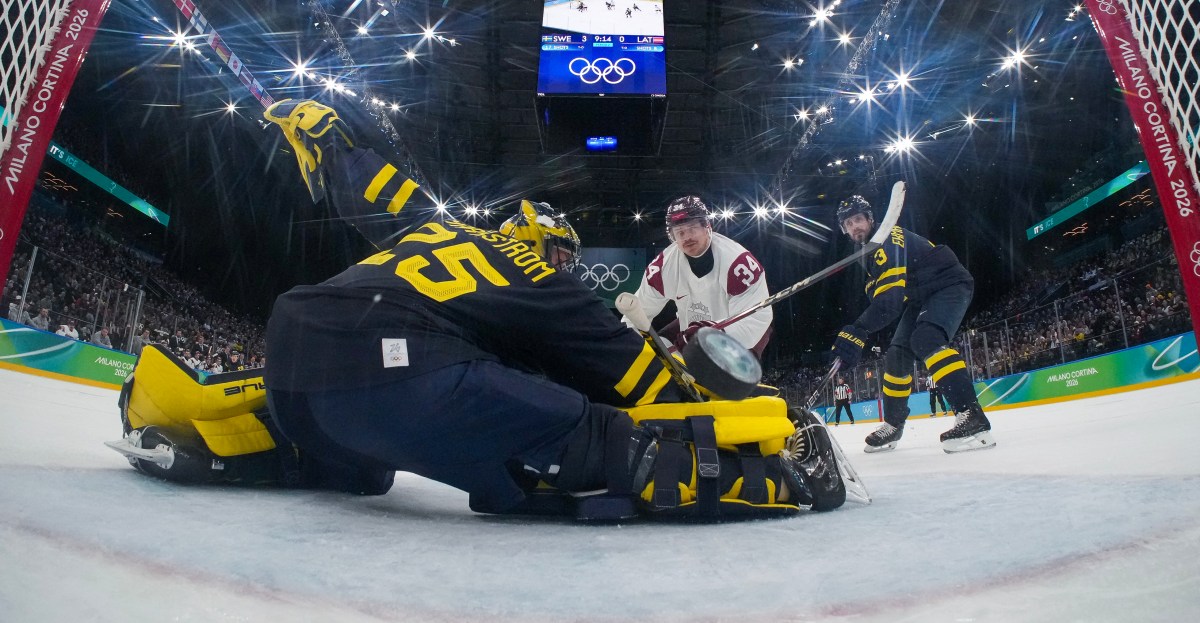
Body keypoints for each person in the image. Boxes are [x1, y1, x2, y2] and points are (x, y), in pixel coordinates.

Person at [251, 99, 844, 519]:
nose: (565, 265)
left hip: (295, 370)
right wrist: (705, 406)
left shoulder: (442, 233)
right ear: (538, 242)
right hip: (403, 377)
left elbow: (380, 195)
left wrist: (332, 148)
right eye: (561, 251)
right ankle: (775, 485)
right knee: (598, 430)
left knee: (374, 469)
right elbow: (634, 377)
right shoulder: (539, 278)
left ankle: (271, 448)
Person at [830, 194, 995, 453]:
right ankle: (894, 424)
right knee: (896, 356)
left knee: (926, 339)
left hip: (947, 283)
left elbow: (890, 303)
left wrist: (858, 329)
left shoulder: (887, 239)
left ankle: (971, 414)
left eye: (858, 219)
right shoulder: (868, 252)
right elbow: (882, 296)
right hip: (920, 296)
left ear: (870, 220)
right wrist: (861, 325)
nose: (855, 227)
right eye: (848, 223)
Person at [624, 196, 772, 357]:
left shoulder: (738, 264)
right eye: (680, 232)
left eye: (692, 228)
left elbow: (757, 320)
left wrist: (713, 337)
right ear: (673, 237)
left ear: (707, 226)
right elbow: (637, 312)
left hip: (737, 333)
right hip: (692, 330)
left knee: (732, 376)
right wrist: (626, 345)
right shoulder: (662, 268)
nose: (687, 237)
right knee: (658, 351)